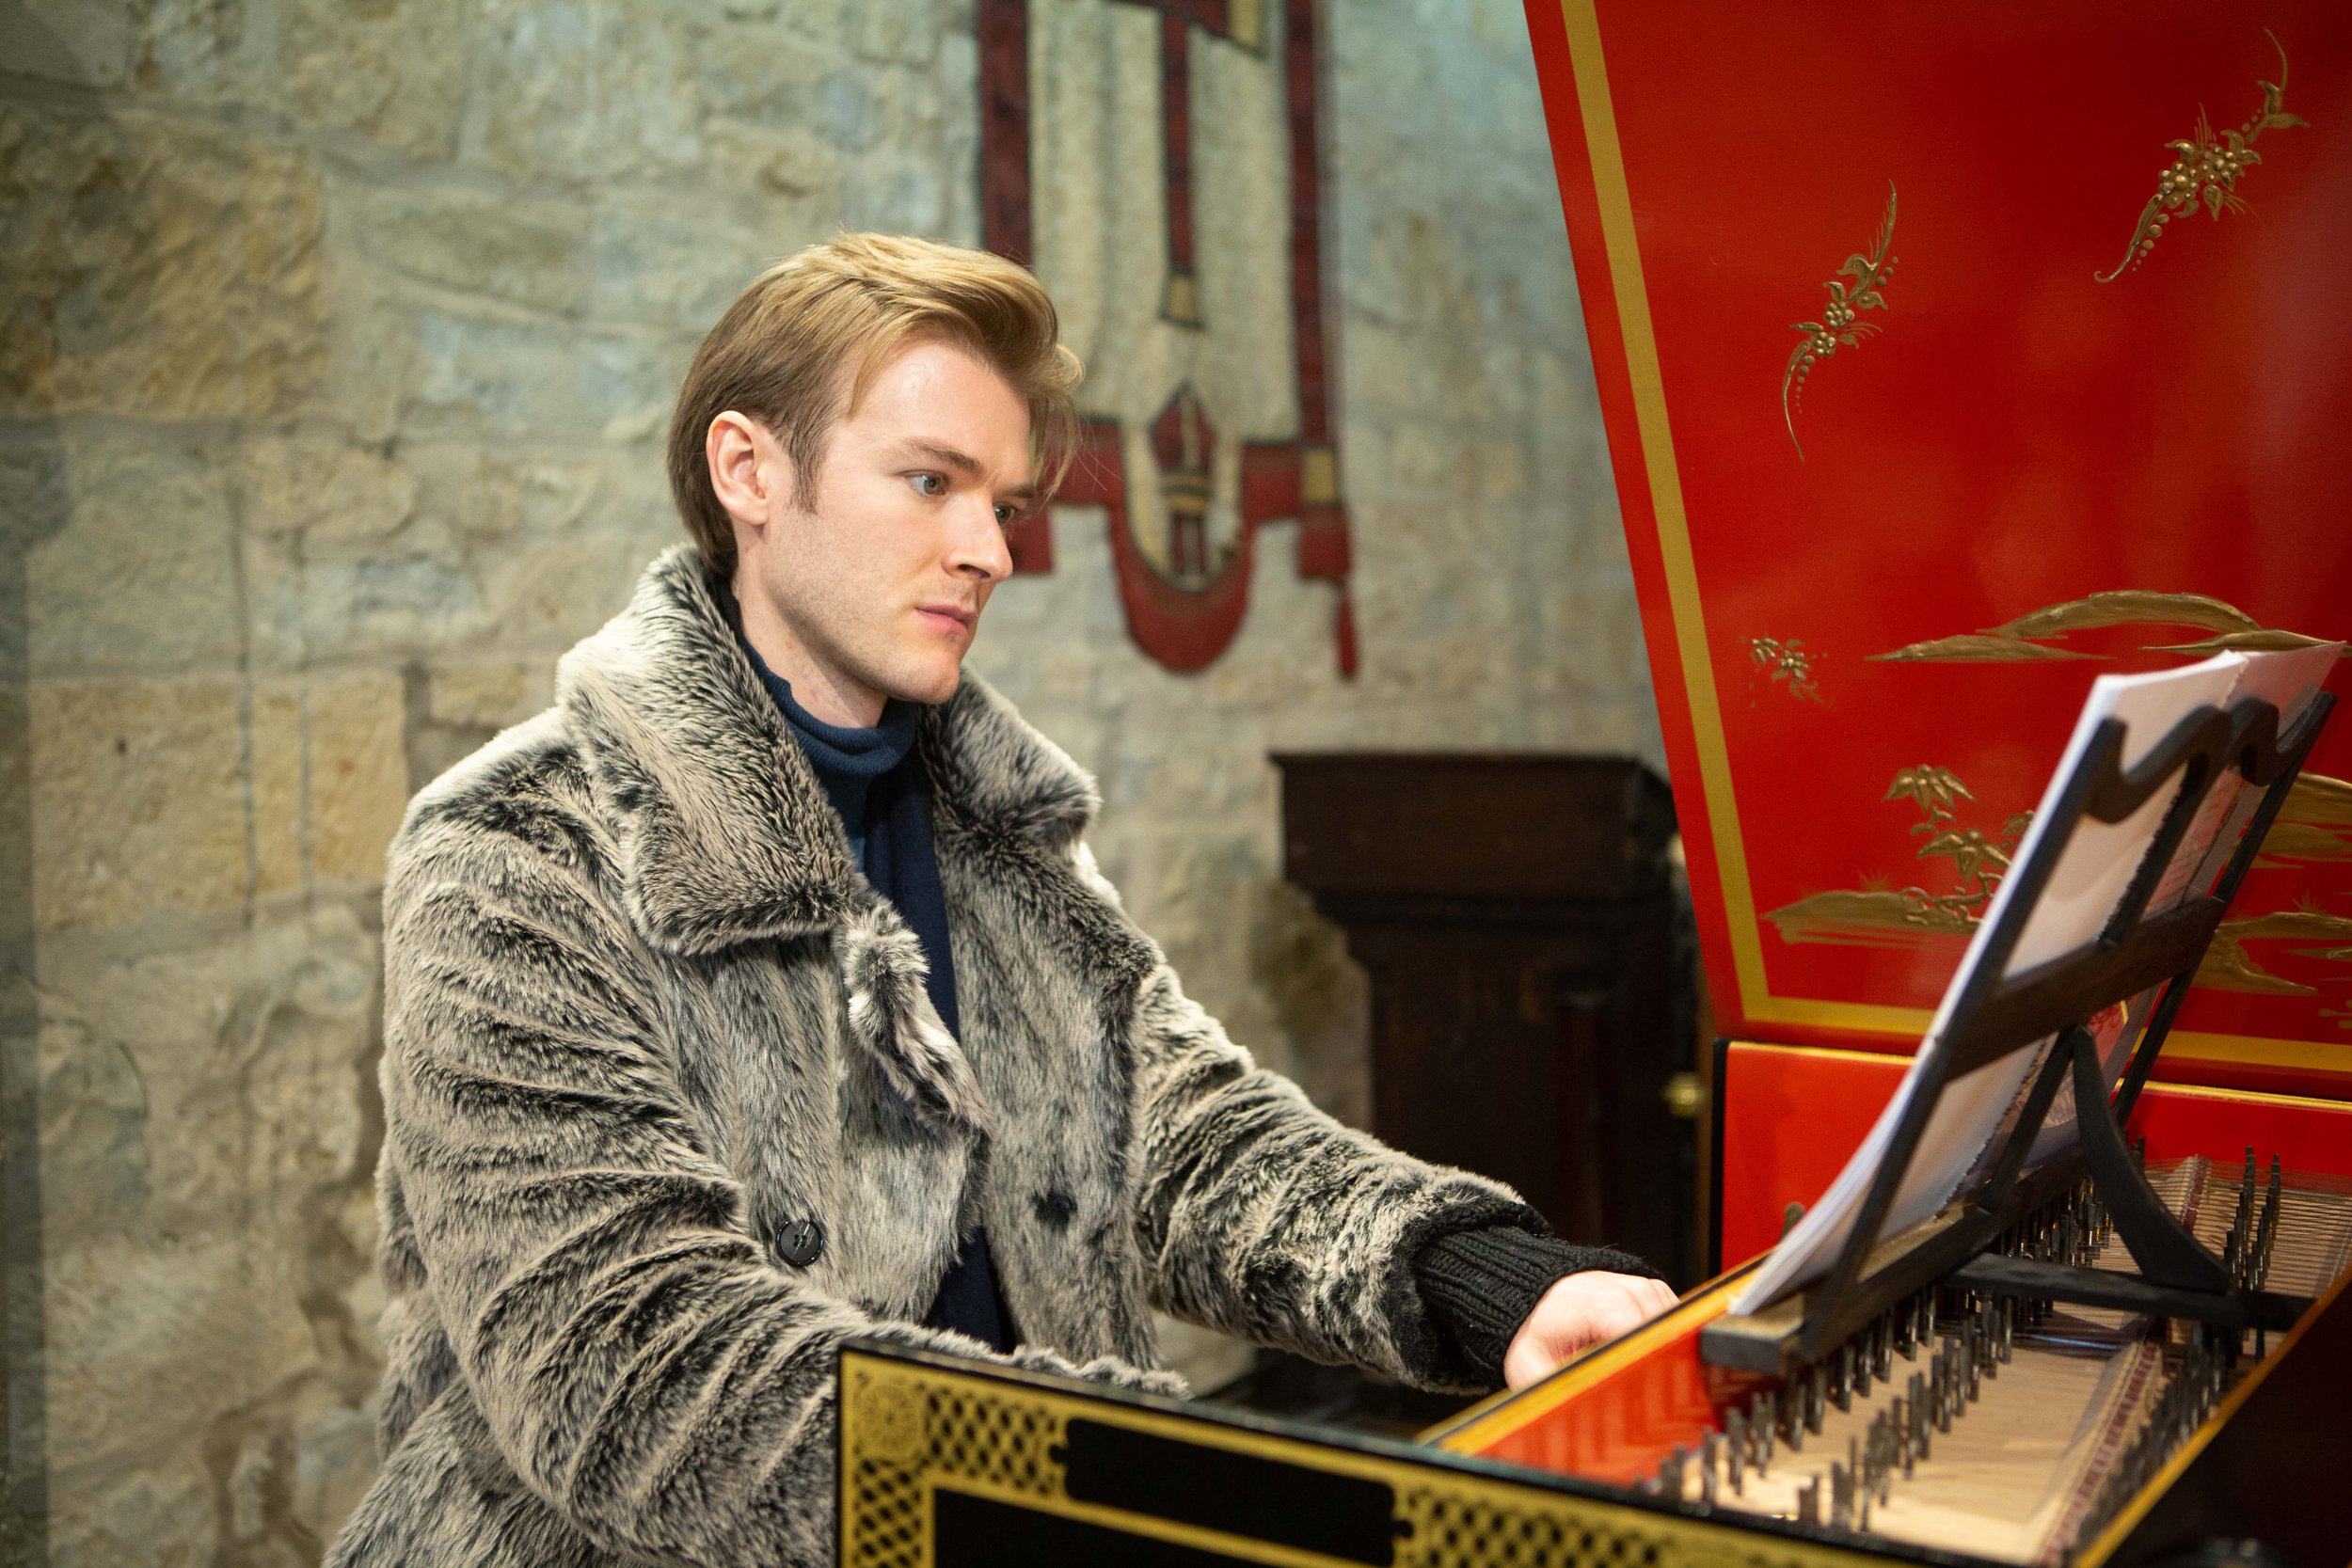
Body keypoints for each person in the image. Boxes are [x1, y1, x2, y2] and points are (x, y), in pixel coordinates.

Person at [326, 233, 1674, 1567]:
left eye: (1006, 505)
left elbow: (1176, 1136)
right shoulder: (519, 850)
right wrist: (1132, 1485)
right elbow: (636, 1371)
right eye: (929, 482)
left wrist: (1494, 1284)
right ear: (749, 470)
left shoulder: (996, 828)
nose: (990, 552)